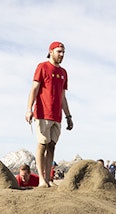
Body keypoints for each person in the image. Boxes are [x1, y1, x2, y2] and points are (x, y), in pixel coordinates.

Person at [25, 41, 73, 187]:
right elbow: (34, 89)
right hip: (42, 112)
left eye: (63, 52)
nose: (62, 54)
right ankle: (41, 179)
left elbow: (63, 97)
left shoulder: (64, 72)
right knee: (42, 144)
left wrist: (68, 116)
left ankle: (47, 178)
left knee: (52, 145)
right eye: (59, 51)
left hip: (56, 115)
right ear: (51, 51)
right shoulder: (42, 67)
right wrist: (29, 109)